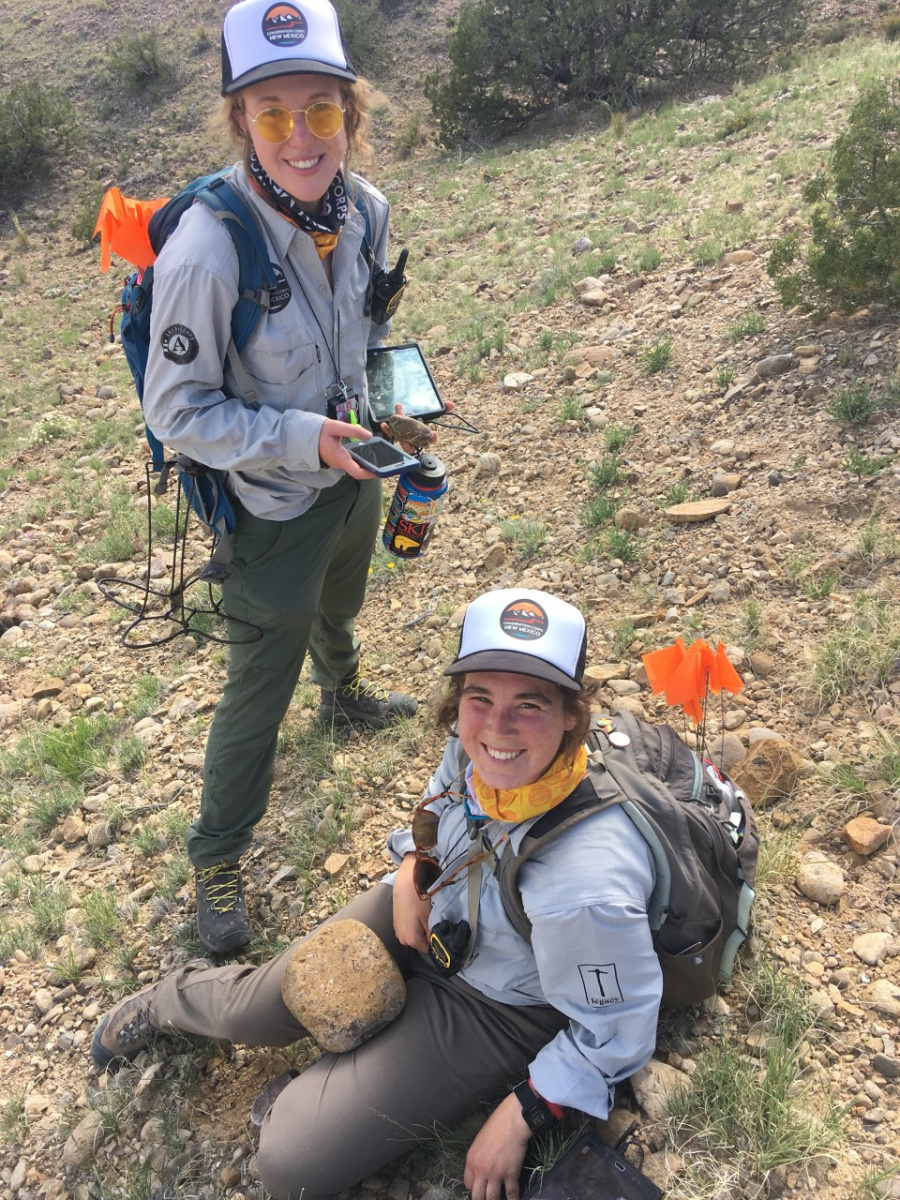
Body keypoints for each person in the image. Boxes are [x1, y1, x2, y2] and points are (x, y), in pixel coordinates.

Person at [91, 588, 663, 1200]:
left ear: (571, 714)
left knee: (290, 1163)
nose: (497, 727)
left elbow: (619, 1029)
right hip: (432, 910)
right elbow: (441, 794)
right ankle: (168, 999)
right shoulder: (479, 747)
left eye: (530, 703)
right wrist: (415, 865)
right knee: (252, 1012)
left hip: (500, 1003)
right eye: (480, 697)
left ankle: (325, 1097)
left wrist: (521, 1112)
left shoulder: (586, 885)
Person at [141, 0, 423, 955]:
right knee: (258, 684)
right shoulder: (208, 248)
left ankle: (342, 694)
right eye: (271, 113)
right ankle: (217, 859)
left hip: (354, 470)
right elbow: (175, 411)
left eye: (321, 109)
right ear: (239, 121)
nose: (301, 136)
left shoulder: (369, 209)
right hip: (270, 502)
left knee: (342, 601)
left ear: (351, 110)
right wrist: (309, 438)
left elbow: (369, 331)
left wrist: (392, 398)